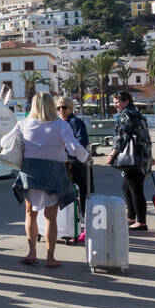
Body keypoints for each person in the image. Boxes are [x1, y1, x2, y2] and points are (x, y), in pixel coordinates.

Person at [3, 93, 89, 268]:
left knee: (30, 214)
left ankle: (32, 253)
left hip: (30, 175)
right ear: (52, 106)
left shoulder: (23, 123)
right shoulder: (61, 125)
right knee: (51, 218)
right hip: (53, 175)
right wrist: (87, 158)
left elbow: (4, 141)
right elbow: (74, 149)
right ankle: (50, 258)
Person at [105, 90, 151, 231]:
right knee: (127, 187)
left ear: (126, 101)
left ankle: (141, 221)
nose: (116, 104)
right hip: (141, 154)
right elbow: (144, 135)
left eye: (118, 101)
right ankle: (131, 217)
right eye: (115, 102)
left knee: (135, 188)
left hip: (134, 156)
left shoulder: (127, 115)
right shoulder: (136, 113)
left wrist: (112, 154)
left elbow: (123, 136)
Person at [57, 96, 91, 242]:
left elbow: (82, 141)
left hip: (76, 164)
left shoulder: (75, 122)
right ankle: (71, 226)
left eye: (64, 107)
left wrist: (67, 146)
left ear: (70, 108)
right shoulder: (59, 123)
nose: (61, 110)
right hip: (65, 165)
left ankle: (86, 228)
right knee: (70, 198)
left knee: (82, 196)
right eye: (58, 108)